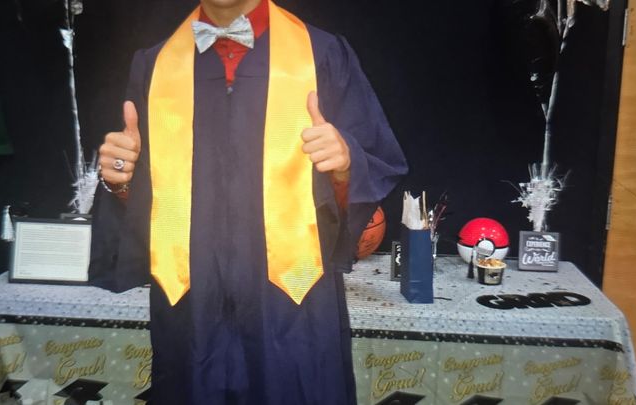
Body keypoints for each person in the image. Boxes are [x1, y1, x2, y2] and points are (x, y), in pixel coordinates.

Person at [89, 0, 407, 403]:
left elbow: (371, 175)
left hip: (294, 314)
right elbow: (147, 209)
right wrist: (121, 182)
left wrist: (346, 164)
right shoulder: (155, 65)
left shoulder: (323, 55)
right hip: (192, 319)